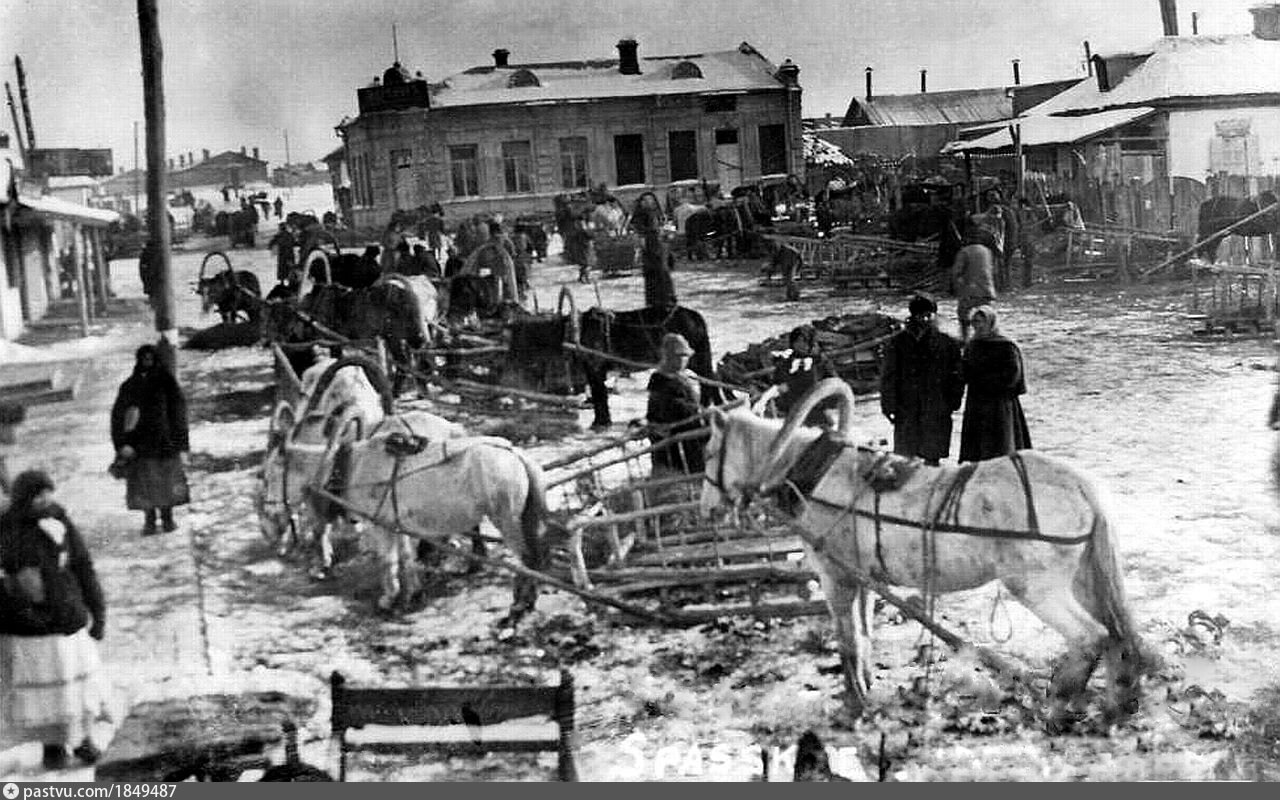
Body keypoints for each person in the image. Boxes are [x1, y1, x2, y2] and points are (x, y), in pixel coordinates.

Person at [0, 470, 107, 771]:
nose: (45, 500)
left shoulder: (60, 522)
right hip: (31, 629)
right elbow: (7, 582)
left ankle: (83, 738)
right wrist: (23, 612)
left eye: (48, 492)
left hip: (66, 619)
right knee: (47, 691)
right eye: (37, 495)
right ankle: (53, 744)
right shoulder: (9, 531)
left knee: (77, 685)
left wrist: (97, 611)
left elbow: (83, 566)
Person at [110, 345, 191, 536]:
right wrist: (122, 444)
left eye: (150, 359)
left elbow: (179, 414)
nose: (147, 363)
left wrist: (182, 443)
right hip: (140, 446)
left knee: (166, 484)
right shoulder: (130, 386)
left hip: (165, 445)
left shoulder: (167, 384)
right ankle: (149, 521)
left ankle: (168, 518)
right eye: (143, 359)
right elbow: (118, 417)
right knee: (145, 485)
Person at [879, 293, 965, 466]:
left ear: (934, 314)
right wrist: (888, 405)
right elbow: (889, 376)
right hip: (907, 405)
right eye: (920, 315)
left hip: (936, 405)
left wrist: (953, 400)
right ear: (913, 315)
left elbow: (957, 375)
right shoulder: (898, 342)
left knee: (932, 454)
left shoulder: (947, 342)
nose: (925, 319)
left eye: (929, 314)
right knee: (906, 457)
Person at [958, 306, 1032, 463]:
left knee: (1001, 446)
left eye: (980, 322)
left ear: (990, 322)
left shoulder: (1006, 346)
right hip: (977, 404)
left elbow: (1012, 376)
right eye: (974, 322)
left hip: (999, 403)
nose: (977, 326)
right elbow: (964, 372)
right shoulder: (973, 346)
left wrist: (983, 380)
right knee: (977, 449)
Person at [645, 333, 705, 474]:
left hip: (691, 436)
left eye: (685, 356)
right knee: (673, 473)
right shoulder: (659, 380)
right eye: (678, 356)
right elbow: (668, 409)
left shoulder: (689, 376)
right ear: (668, 357)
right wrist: (698, 412)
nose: (682, 360)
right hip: (670, 439)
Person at [773, 325, 839, 427]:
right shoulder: (786, 362)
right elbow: (778, 382)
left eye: (804, 341)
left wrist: (826, 406)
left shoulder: (820, 361)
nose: (801, 345)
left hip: (817, 407)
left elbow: (834, 383)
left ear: (810, 343)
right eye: (797, 341)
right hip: (793, 409)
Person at [951, 220, 998, 343]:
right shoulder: (987, 251)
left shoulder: (964, 252)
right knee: (988, 319)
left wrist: (959, 289)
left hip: (970, 292)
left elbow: (956, 273)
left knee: (963, 317)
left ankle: (966, 340)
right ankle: (989, 340)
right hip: (988, 291)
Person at [268, 223, 298, 287]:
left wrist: (272, 247)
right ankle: (292, 281)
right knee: (290, 268)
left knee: (282, 269)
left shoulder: (279, 235)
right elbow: (295, 243)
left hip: (282, 255)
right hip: (290, 254)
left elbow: (271, 244)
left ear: (280, 228)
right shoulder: (290, 235)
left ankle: (282, 282)